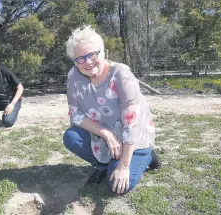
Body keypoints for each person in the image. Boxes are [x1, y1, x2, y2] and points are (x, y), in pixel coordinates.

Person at [62, 25, 161, 195]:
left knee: (118, 186)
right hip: (105, 135)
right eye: (80, 58)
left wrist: (124, 165)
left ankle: (147, 156)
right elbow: (75, 113)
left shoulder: (121, 74)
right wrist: (106, 134)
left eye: (92, 54)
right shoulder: (73, 76)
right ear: (74, 60)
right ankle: (104, 165)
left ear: (103, 52)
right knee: (71, 137)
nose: (87, 62)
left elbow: (132, 122)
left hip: (133, 137)